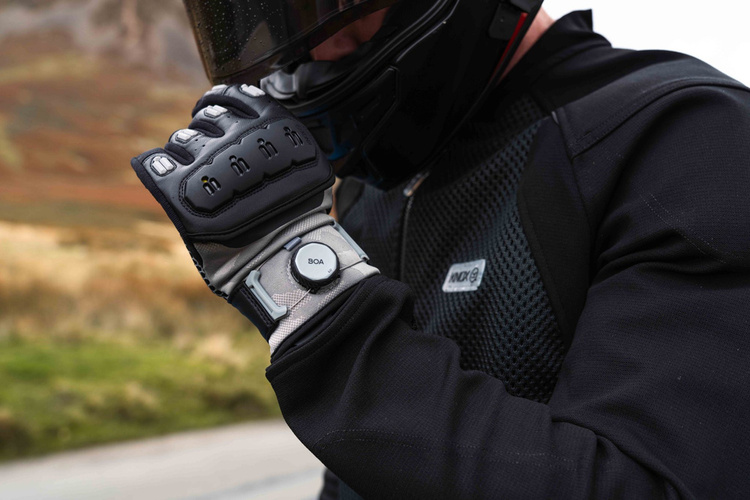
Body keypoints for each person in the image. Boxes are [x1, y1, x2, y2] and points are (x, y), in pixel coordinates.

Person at [130, 0, 750, 498]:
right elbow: (363, 474)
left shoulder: (684, 136)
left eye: (332, 7)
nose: (309, 52)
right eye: (268, 19)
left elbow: (648, 482)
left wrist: (310, 300)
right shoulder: (375, 186)